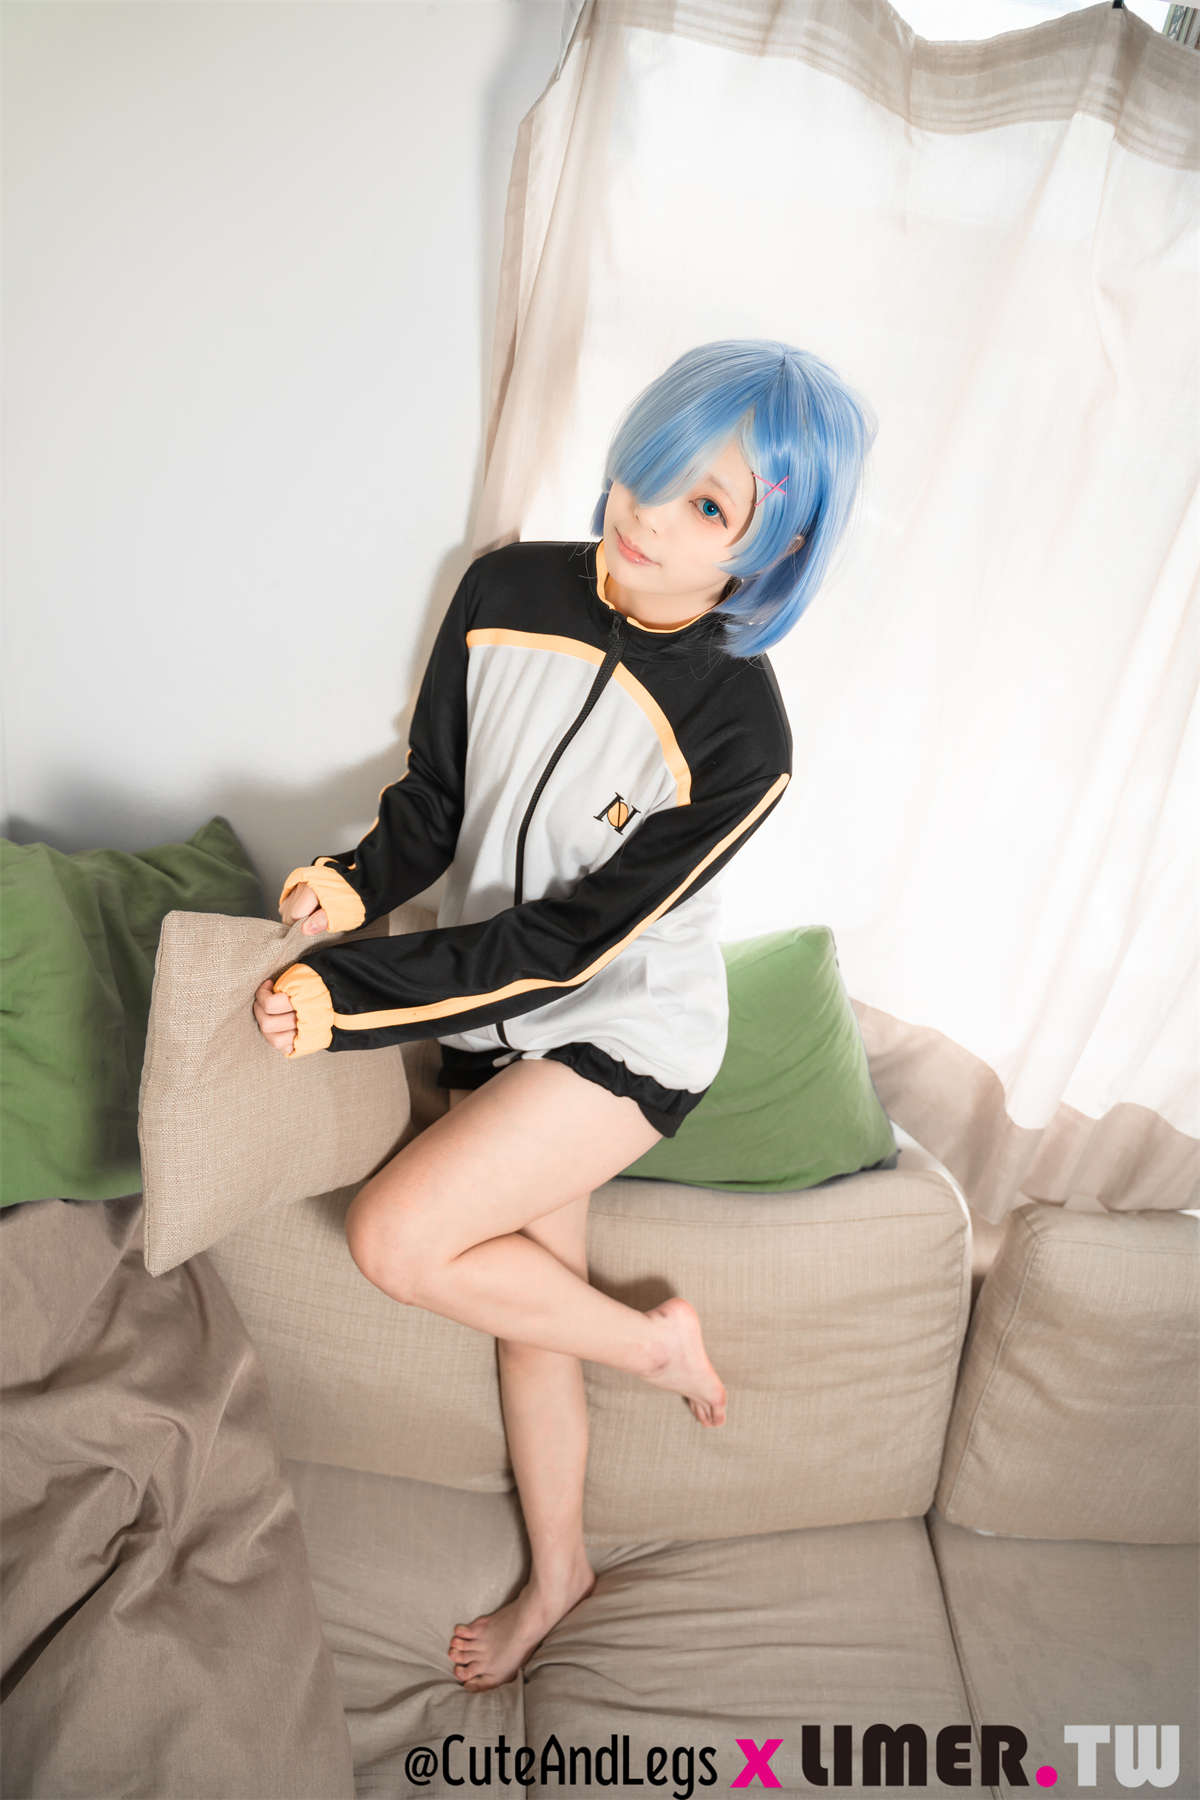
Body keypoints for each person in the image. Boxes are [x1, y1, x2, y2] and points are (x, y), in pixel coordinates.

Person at [252, 338, 876, 1691]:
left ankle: (656, 1343)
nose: (647, 514)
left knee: (395, 1236)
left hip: (623, 1026)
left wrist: (348, 1001)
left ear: (777, 546)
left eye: (707, 505)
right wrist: (351, 888)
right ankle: (561, 1576)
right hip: (493, 1013)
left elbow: (568, 944)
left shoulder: (743, 737)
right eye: (654, 469)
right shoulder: (505, 588)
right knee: (534, 1309)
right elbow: (431, 805)